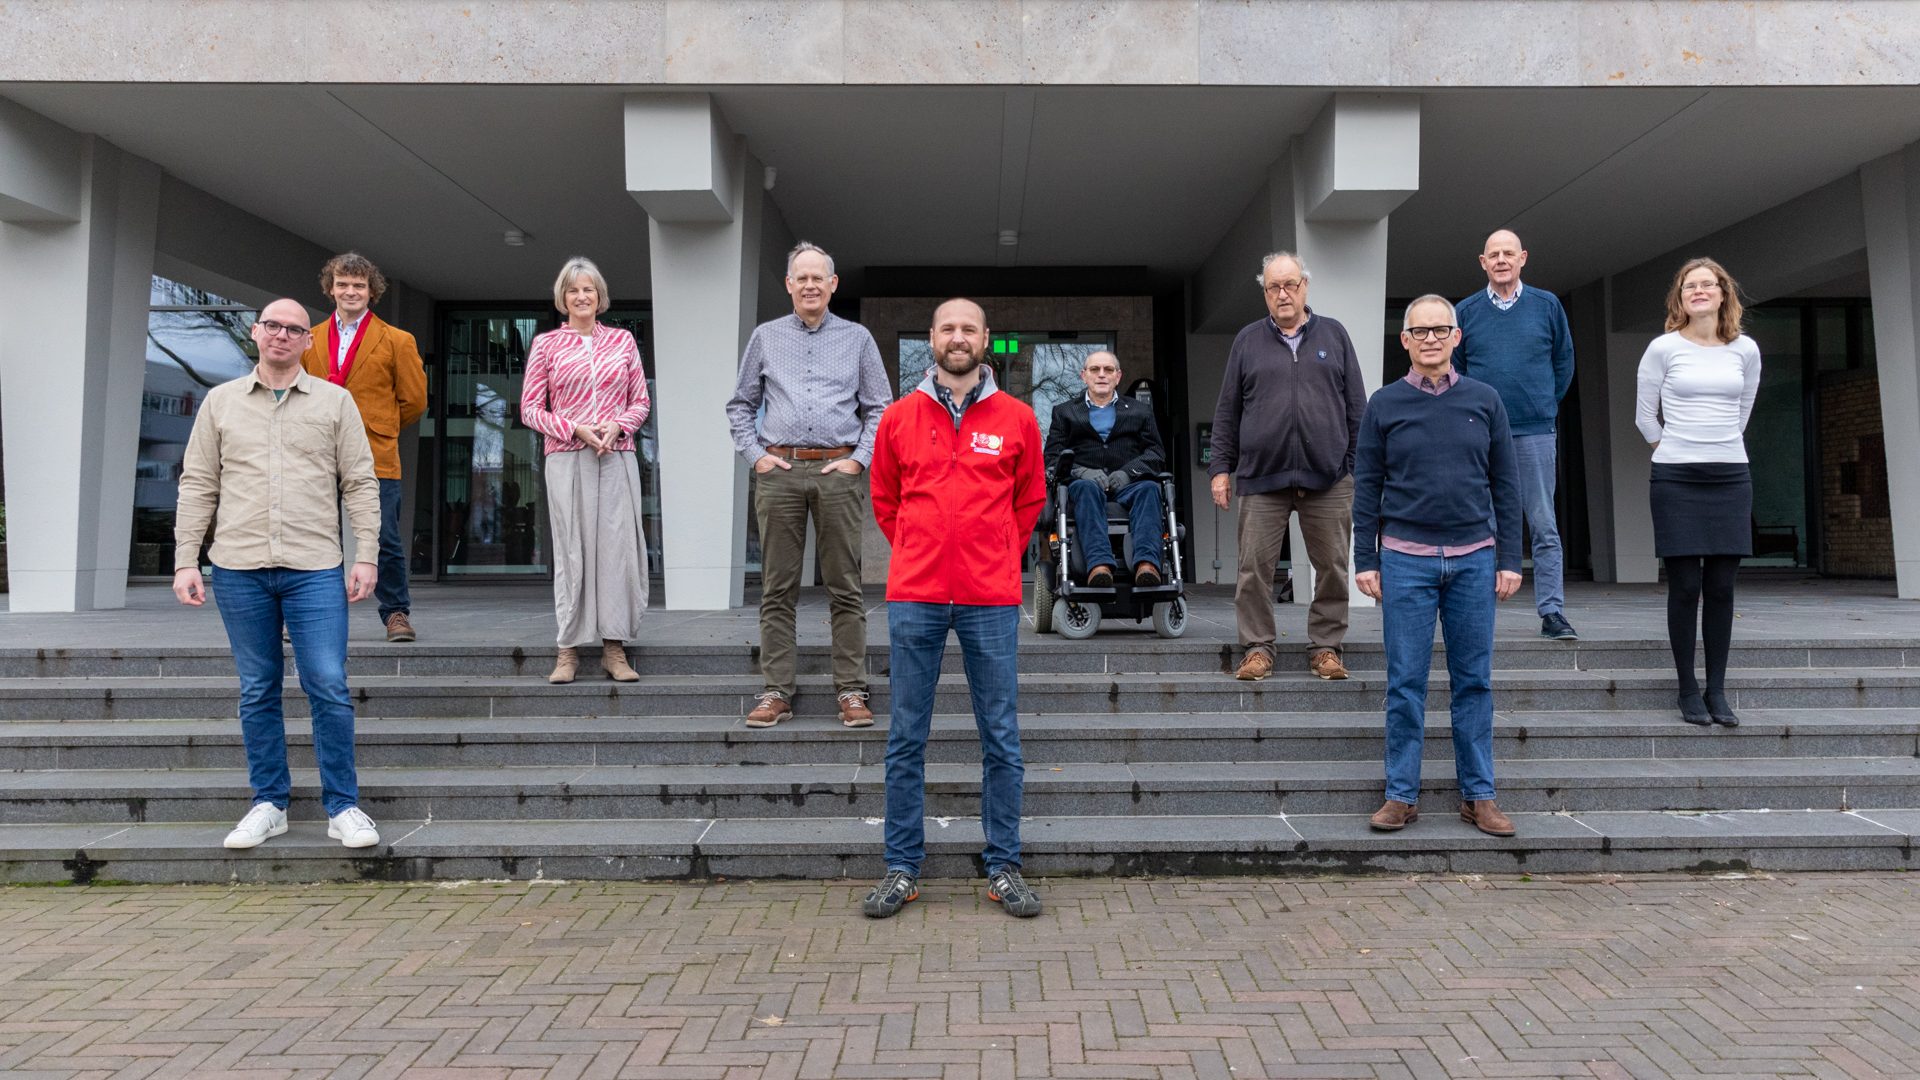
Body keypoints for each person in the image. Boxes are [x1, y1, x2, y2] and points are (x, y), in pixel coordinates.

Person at [173, 298, 384, 851]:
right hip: (238, 568)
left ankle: (343, 806)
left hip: (314, 567)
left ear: (307, 340)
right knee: (257, 689)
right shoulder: (220, 404)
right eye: (273, 326)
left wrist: (367, 554)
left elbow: (361, 482)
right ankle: (270, 803)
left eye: (294, 329)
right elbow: (198, 484)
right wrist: (184, 558)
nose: (282, 336)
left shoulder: (336, 402)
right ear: (255, 332)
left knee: (328, 684)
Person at [864, 298, 1045, 921]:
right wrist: (920, 548)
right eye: (948, 328)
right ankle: (901, 868)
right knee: (904, 737)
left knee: (1001, 737)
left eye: (969, 328)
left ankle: (1004, 868)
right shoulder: (898, 417)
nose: (959, 337)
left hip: (989, 598)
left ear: (987, 339)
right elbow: (885, 499)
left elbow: (1029, 501)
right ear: (932, 339)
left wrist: (994, 551)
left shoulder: (1019, 418)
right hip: (914, 595)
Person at [1353, 294, 1525, 838]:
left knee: (1474, 681)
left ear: (1456, 337)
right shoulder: (1384, 404)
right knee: (1405, 682)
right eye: (1420, 331)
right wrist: (1365, 558)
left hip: (1475, 559)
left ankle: (1480, 797)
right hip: (1405, 560)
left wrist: (1511, 559)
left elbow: (1506, 485)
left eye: (1441, 329)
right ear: (1404, 341)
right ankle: (1401, 796)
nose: (1431, 338)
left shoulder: (1486, 400)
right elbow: (1367, 488)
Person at [725, 241, 892, 729]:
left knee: (845, 587)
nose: (811, 285)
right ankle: (776, 690)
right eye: (803, 277)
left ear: (833, 284)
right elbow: (740, 404)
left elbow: (880, 406)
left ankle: (852, 692)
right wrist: (756, 456)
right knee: (778, 588)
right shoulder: (765, 336)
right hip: (779, 471)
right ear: (789, 285)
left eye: (820, 277)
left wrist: (859, 460)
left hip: (838, 471)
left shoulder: (858, 338)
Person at [1210, 252, 1367, 682]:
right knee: (1253, 570)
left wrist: (1353, 466)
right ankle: (1258, 648)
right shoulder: (1247, 340)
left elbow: (1357, 408)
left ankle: (1326, 648)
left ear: (1305, 287)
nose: (1283, 293)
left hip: (1329, 478)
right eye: (1274, 287)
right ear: (1265, 293)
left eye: (1290, 285)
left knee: (1333, 566)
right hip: (1262, 477)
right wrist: (1221, 469)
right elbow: (1228, 410)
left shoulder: (1334, 335)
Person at [1635, 258, 1762, 728]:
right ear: (1680, 297)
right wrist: (1674, 447)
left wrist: (1719, 443)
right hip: (1676, 478)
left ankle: (1717, 690)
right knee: (1686, 585)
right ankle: (1688, 689)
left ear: (1723, 293)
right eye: (1691, 286)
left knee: (1723, 587)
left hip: (1730, 476)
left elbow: (1744, 407)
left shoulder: (1745, 350)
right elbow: (1645, 416)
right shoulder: (1663, 348)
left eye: (1708, 284)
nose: (1700, 291)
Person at [520, 257, 652, 684]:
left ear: (600, 297)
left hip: (617, 455)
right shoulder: (546, 345)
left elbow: (641, 402)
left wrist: (618, 426)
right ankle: (567, 650)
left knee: (617, 551)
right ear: (563, 297)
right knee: (572, 549)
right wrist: (574, 428)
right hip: (567, 457)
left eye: (589, 290)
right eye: (574, 290)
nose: (582, 296)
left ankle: (614, 649)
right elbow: (530, 410)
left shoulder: (623, 342)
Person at [1454, 230, 1578, 641]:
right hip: (1483, 436)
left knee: (1543, 524)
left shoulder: (1547, 306)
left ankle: (1552, 613)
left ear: (1523, 258)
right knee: (1482, 526)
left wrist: (1543, 404)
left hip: (1535, 431)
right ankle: (1478, 614)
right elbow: (1456, 370)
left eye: (1509, 253)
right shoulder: (1466, 312)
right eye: (1494, 254)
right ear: (1482, 262)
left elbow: (1563, 362)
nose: (1502, 260)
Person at [300, 252, 428, 642]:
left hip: (376, 455)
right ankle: (309, 617)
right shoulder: (311, 338)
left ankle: (396, 614)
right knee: (315, 538)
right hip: (318, 456)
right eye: (343, 284)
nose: (350, 291)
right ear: (330, 289)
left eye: (358, 285)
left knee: (384, 537)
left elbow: (415, 401)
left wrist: (379, 427)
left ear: (372, 292)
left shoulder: (397, 340)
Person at [1043, 350, 1168, 586]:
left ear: (1118, 376)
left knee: (1150, 488)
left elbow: (1156, 454)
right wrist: (1081, 471)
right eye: (1095, 370)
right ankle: (1099, 566)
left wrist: (1127, 473)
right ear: (1084, 376)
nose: (1102, 375)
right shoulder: (1065, 412)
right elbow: (1052, 457)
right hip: (1085, 485)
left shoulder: (1140, 411)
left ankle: (1147, 565)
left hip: (1128, 485)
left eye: (1108, 370)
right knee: (1085, 489)